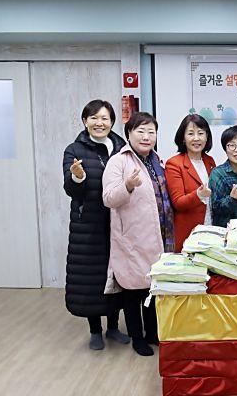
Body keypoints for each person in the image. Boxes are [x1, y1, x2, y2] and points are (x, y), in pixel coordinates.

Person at [103, 112, 174, 356]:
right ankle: (137, 338)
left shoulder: (157, 160)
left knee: (153, 288)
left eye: (151, 132)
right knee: (134, 290)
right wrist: (128, 186)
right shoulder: (118, 161)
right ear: (129, 134)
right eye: (140, 131)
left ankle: (153, 333)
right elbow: (108, 198)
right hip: (132, 238)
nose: (146, 137)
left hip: (158, 234)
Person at [62, 99, 129, 351]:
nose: (99, 123)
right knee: (90, 278)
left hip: (118, 221)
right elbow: (71, 189)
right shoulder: (74, 150)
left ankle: (113, 327)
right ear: (85, 121)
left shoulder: (121, 147)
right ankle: (95, 330)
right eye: (94, 118)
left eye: (104, 118)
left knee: (116, 275)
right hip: (88, 224)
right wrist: (77, 177)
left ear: (112, 122)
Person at [165, 114, 216, 251]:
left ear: (207, 136)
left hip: (211, 228)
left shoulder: (210, 161)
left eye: (201, 133)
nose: (196, 138)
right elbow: (178, 202)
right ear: (183, 138)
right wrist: (198, 195)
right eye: (191, 133)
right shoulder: (174, 163)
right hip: (188, 234)